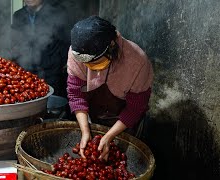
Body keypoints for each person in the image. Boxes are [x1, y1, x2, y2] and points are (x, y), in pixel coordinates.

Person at [67, 16, 154, 160]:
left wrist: (109, 136)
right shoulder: (78, 54)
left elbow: (135, 108)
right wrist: (85, 130)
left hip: (126, 122)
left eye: (96, 63)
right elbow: (76, 95)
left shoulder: (137, 61)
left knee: (120, 160)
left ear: (112, 45)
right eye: (88, 64)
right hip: (94, 116)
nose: (91, 69)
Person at [9, 0, 70, 98]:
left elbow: (65, 39)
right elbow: (15, 41)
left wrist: (60, 62)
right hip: (26, 69)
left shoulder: (57, 12)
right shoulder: (18, 15)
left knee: (51, 102)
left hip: (51, 70)